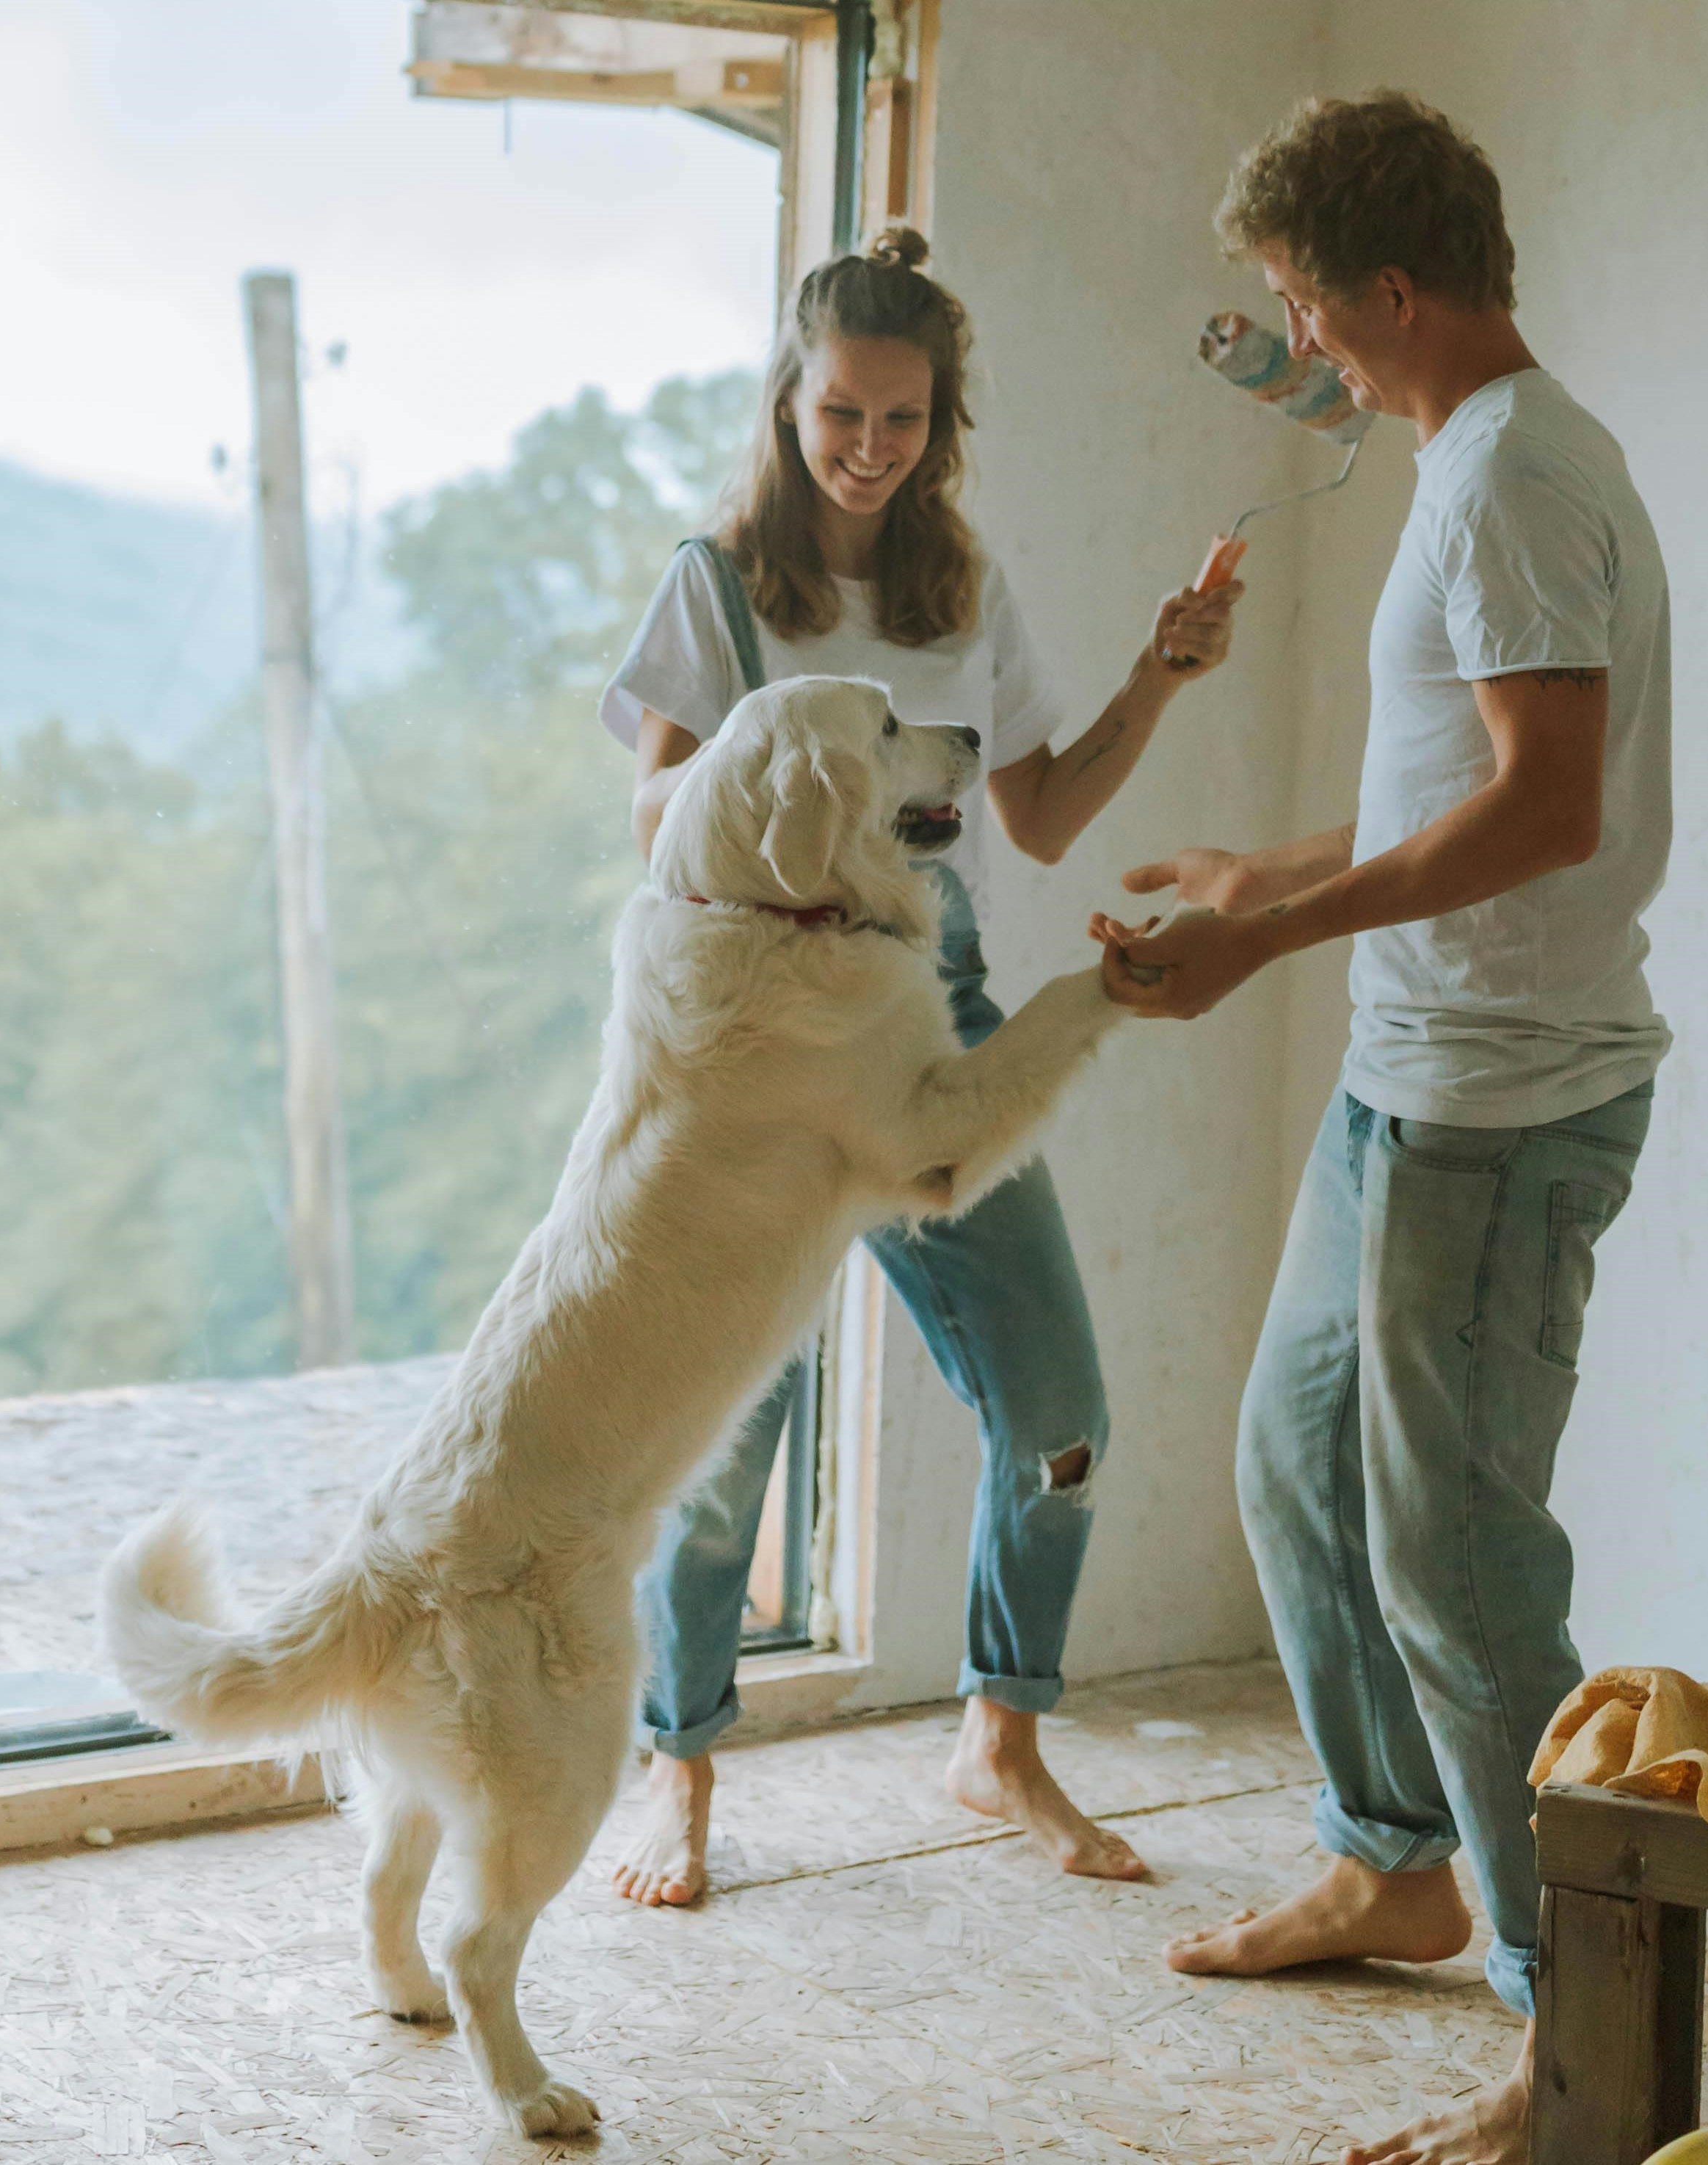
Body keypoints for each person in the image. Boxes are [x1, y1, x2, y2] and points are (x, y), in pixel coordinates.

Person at [1092, 95, 1673, 2165]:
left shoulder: (1517, 473)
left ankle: (1572, 2023)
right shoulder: (1472, 463)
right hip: (1404, 1075)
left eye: (1303, 308)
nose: (1303, 343)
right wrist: (1274, 874)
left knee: (1464, 1565)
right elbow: (1463, 781)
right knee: (1292, 1460)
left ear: (1393, 291)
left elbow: (1548, 804)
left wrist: (1271, 947)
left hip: (1500, 1109)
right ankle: (1393, 1855)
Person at [595, 227, 1245, 1908]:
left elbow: (1035, 816)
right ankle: (678, 1767)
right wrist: (797, 769)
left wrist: (1157, 681)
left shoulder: (966, 587)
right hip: (756, 1032)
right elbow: (652, 819)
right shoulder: (717, 582)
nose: (868, 445)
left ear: (938, 420)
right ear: (789, 406)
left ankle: (999, 1737)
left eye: (901, 417)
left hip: (931, 1012)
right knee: (721, 1437)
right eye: (839, 415)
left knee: (1061, 1418)